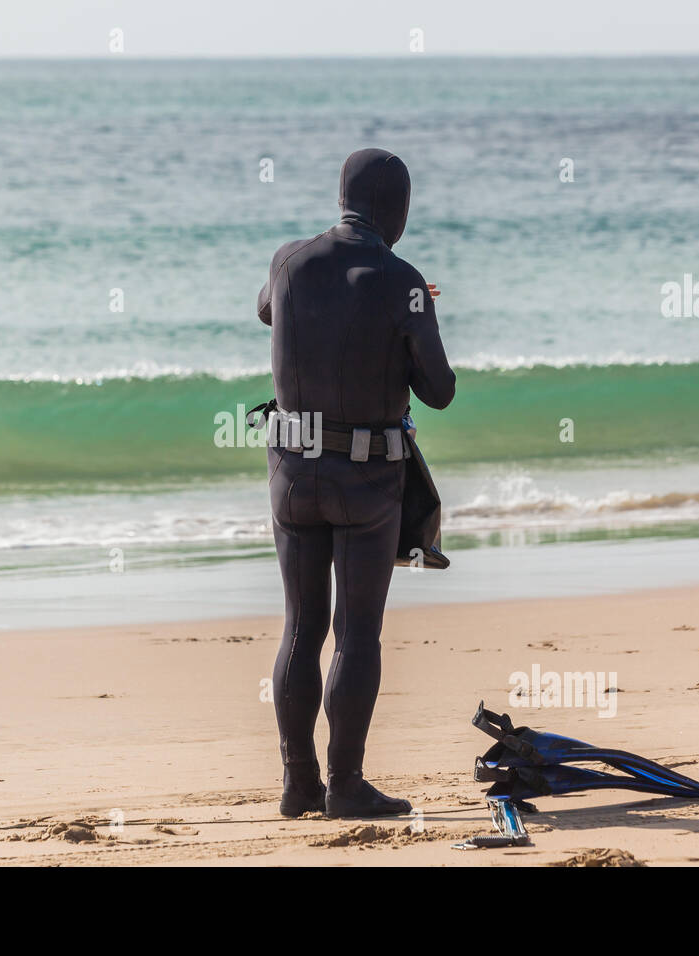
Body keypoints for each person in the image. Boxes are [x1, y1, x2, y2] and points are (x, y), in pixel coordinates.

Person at [256, 147, 456, 818]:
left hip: (291, 474)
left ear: (342, 196)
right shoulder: (402, 280)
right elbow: (440, 391)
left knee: (300, 627)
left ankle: (297, 783)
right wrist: (416, 313)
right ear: (397, 210)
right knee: (357, 633)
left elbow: (268, 309)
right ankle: (345, 787)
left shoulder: (289, 262)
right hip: (367, 482)